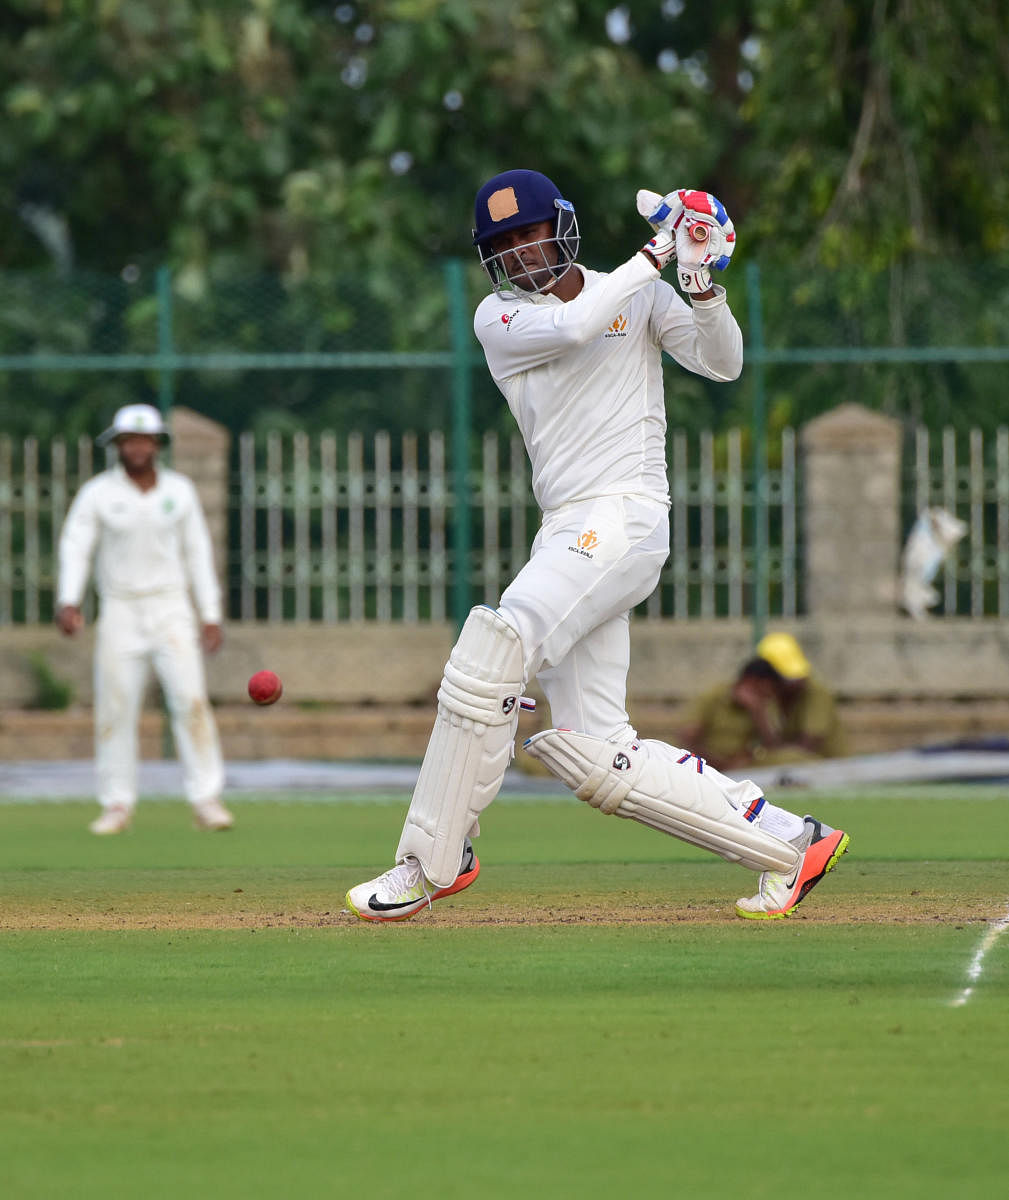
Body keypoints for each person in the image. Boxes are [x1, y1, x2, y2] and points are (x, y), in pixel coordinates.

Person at [346, 169, 848, 923]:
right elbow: (577, 326)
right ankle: (788, 843)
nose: (520, 254)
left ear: (562, 226)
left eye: (529, 233)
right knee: (591, 748)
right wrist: (656, 252)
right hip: (572, 529)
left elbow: (723, 362)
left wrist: (699, 277)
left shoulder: (639, 292)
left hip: (626, 516)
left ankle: (429, 862)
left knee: (498, 643)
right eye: (503, 245)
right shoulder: (498, 319)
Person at [56, 403, 233, 835]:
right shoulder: (99, 493)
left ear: (157, 444)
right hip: (120, 608)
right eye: (128, 440)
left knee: (190, 700)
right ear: (117, 445)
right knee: (116, 706)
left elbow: (197, 554)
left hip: (171, 607)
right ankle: (117, 804)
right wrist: (69, 599)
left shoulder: (180, 491)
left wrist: (209, 614)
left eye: (144, 439)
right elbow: (76, 545)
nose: (136, 447)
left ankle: (205, 799)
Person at [679, 632, 847, 772]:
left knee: (792, 758)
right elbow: (687, 739)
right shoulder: (715, 696)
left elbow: (786, 747)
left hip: (827, 766)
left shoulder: (810, 694)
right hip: (717, 768)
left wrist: (758, 712)